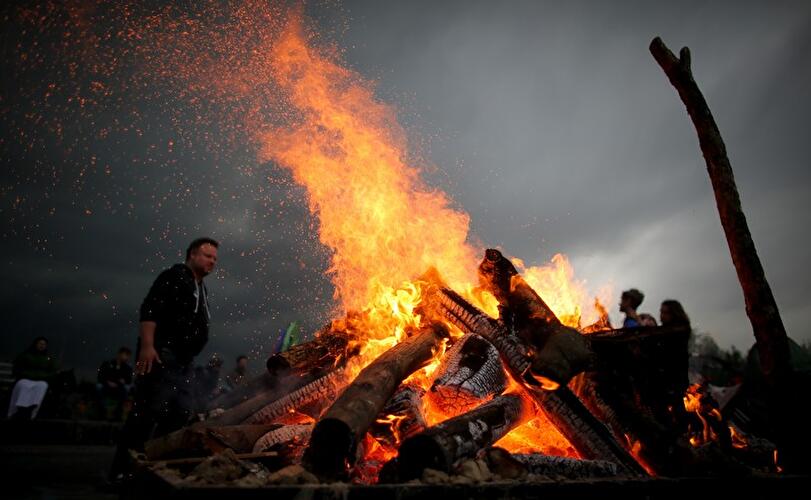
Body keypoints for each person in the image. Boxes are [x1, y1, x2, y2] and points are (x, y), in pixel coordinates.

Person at [110, 237, 219, 481]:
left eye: (214, 258)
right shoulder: (174, 276)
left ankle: (152, 465)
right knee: (146, 413)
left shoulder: (200, 287)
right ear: (192, 255)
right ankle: (121, 472)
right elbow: (150, 309)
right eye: (207, 255)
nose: (212, 261)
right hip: (161, 356)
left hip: (183, 362)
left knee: (181, 413)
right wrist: (147, 346)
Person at [8, 337, 59, 419]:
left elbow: (53, 370)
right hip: (25, 379)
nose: (42, 346)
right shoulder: (25, 355)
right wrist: (27, 374)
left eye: (44, 344)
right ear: (35, 344)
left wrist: (44, 376)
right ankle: (19, 407)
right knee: (23, 385)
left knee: (42, 386)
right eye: (40, 343)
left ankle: (34, 408)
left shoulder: (48, 358)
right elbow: (17, 368)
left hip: (41, 381)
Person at [97, 347, 134, 420]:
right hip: (107, 385)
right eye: (126, 355)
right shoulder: (108, 364)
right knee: (98, 387)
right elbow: (101, 376)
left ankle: (118, 412)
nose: (127, 357)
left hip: (120, 388)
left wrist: (117, 381)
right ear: (119, 354)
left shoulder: (127, 367)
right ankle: (102, 411)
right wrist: (109, 381)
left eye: (128, 355)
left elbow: (128, 380)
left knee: (127, 389)